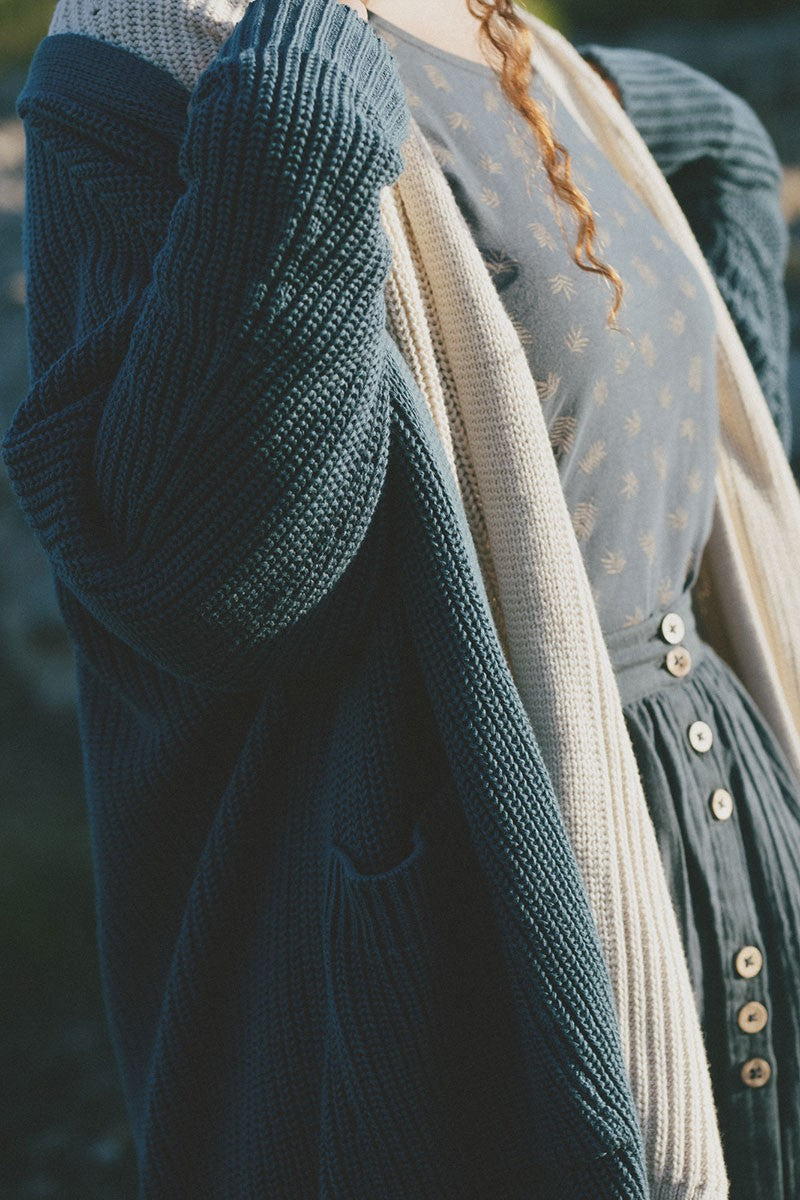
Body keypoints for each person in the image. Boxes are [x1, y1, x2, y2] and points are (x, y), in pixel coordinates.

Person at [3, 0, 797, 1196]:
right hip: (475, 911)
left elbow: (714, 191)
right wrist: (298, 101)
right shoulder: (147, 60)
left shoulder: (513, 42)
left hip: (719, 826)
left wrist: (643, 110)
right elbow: (214, 585)